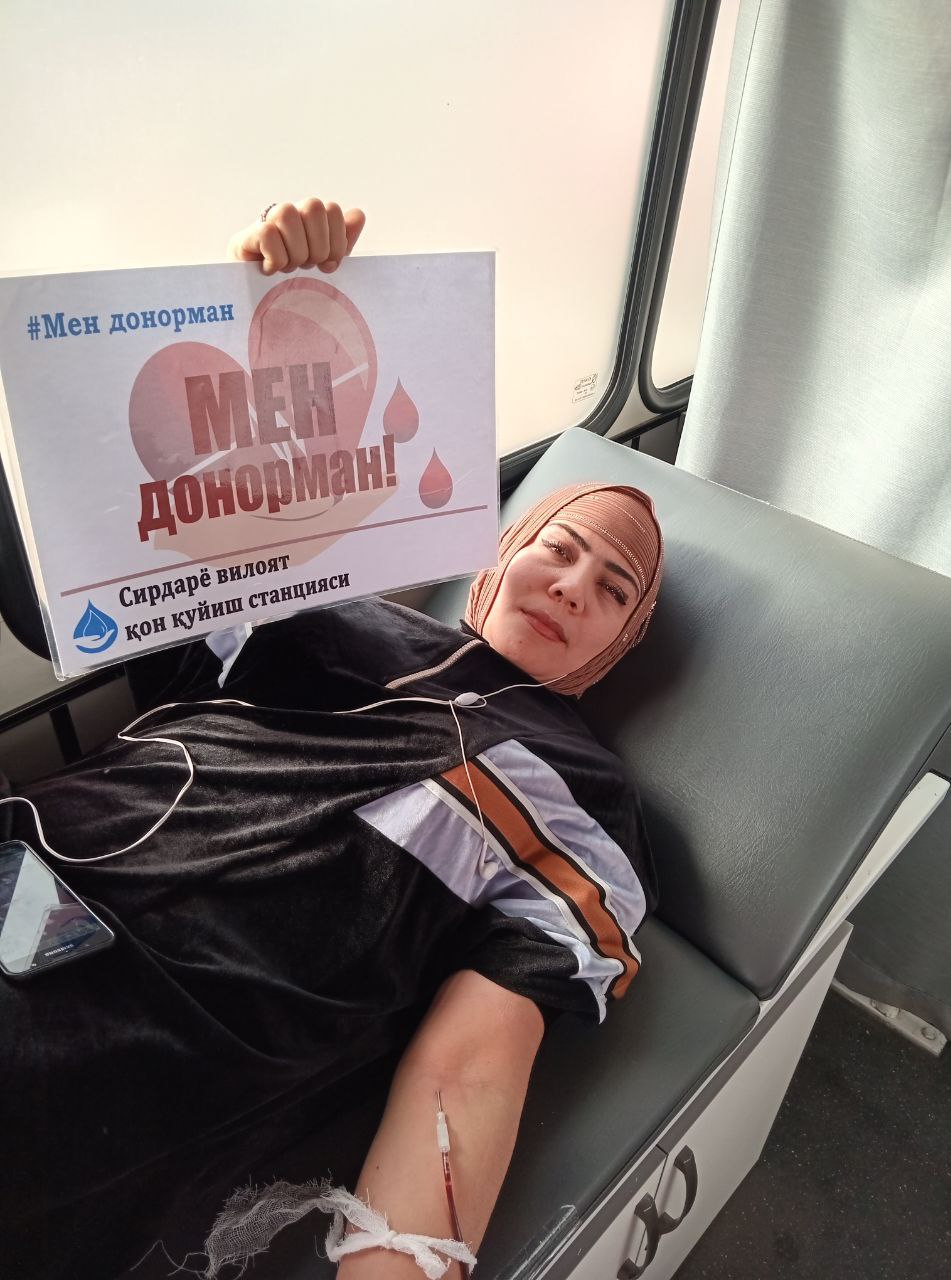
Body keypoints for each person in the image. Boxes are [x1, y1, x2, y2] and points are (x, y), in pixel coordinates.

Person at [0, 200, 665, 1280]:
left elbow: (472, 1066)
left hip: (140, 1030)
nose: (574, 584)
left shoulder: (588, 801)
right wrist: (260, 303)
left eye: (614, 587)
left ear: (616, 647)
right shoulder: (328, 605)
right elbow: (153, 540)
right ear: (501, 558)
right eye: (559, 547)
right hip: (31, 846)